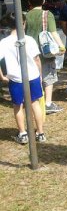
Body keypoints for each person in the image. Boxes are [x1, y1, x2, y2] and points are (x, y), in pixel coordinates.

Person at [0, 13, 46, 144]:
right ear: (24, 24)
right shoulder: (29, 39)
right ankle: (40, 132)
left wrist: (2, 76)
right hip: (32, 76)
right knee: (34, 103)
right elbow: (37, 59)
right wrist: (40, 75)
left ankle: (23, 133)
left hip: (15, 78)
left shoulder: (4, 42)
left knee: (17, 106)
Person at [25, 0, 66, 115]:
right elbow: (53, 32)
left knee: (33, 75)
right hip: (45, 51)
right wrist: (61, 46)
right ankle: (48, 103)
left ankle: (33, 100)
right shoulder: (47, 14)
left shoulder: (26, 15)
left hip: (30, 50)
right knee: (48, 76)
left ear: (29, 3)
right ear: (43, 2)